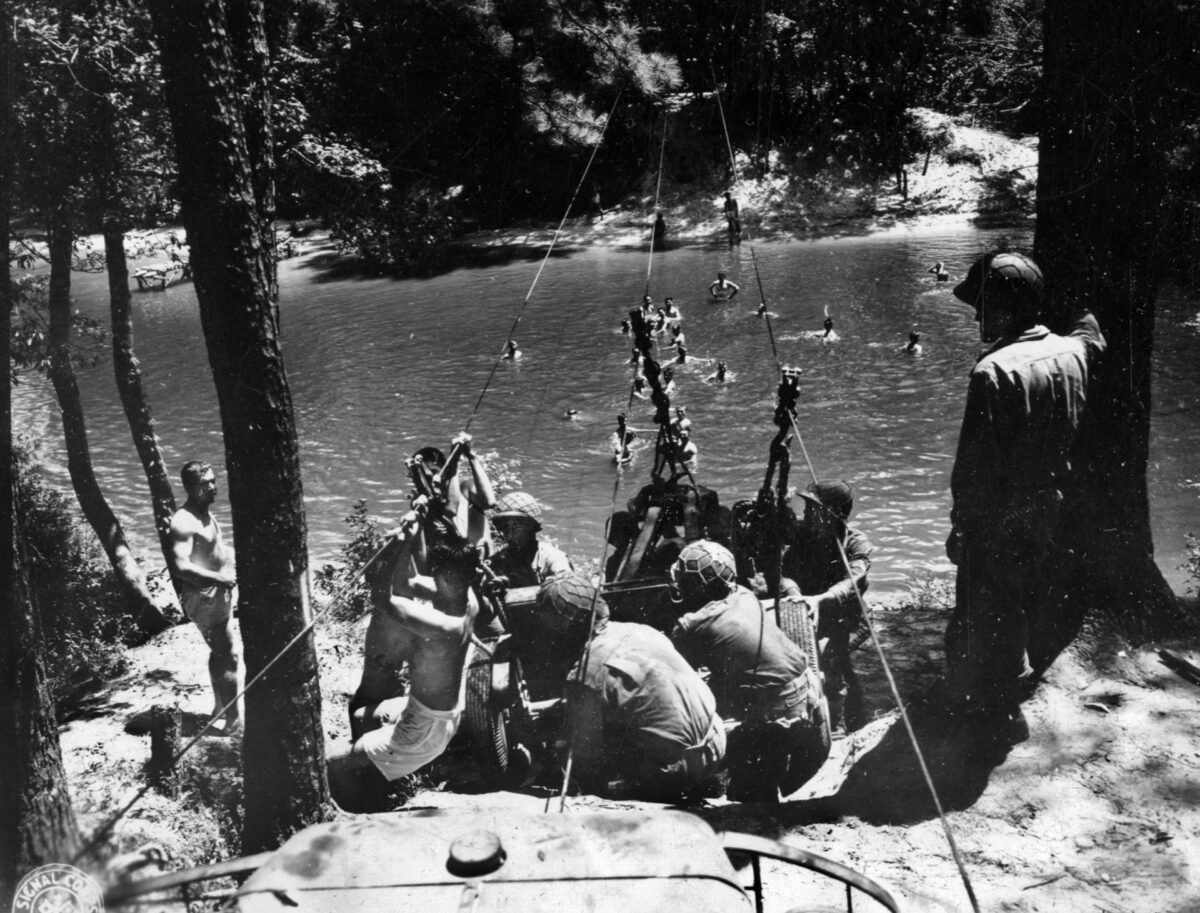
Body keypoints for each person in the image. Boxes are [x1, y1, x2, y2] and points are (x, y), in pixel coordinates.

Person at [943, 251, 1106, 747]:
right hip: (1051, 501)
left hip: (1001, 511)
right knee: (1018, 594)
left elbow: (973, 468)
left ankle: (993, 710)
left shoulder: (992, 372)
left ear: (1009, 308)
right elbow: (1091, 331)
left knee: (987, 605)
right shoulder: (1074, 353)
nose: (976, 316)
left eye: (984, 305)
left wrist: (962, 526)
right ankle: (1004, 691)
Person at [328, 527, 480, 811]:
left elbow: (383, 599)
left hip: (422, 731)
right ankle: (378, 779)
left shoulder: (444, 626)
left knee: (330, 764)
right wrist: (416, 529)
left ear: (442, 576)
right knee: (362, 715)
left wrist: (393, 548)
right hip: (440, 716)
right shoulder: (469, 600)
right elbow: (409, 579)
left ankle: (362, 811)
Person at [536, 573, 725, 801]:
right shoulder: (641, 629)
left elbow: (586, 755)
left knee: (592, 754)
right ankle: (701, 778)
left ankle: (675, 782)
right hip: (717, 740)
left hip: (675, 770)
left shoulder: (587, 671)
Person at [668, 541, 827, 801]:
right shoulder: (742, 593)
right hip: (808, 692)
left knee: (743, 789)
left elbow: (679, 684)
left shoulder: (692, 625)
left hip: (778, 714)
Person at [352, 434, 494, 723]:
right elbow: (416, 572)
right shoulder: (430, 508)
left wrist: (470, 454)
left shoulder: (465, 494)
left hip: (476, 590)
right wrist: (415, 524)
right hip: (450, 592)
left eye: (435, 476)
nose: (432, 483)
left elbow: (488, 500)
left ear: (447, 474)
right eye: (423, 477)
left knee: (487, 649)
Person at [781, 480, 873, 737]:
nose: (807, 513)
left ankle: (837, 725)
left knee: (828, 658)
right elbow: (783, 570)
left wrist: (821, 599)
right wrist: (794, 592)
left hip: (851, 620)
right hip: (809, 612)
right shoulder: (803, 535)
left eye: (814, 509)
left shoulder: (855, 542)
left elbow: (855, 579)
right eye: (807, 508)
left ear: (835, 514)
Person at [169, 461, 241, 735]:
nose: (212, 487)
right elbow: (180, 566)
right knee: (228, 655)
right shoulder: (184, 521)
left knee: (220, 651)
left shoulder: (203, 513)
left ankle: (220, 709)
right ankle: (233, 721)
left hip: (215, 593)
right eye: (205, 483)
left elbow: (211, 549)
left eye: (213, 481)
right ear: (190, 488)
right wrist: (219, 578)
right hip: (205, 596)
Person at [486, 491, 573, 589]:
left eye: (516, 525)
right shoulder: (498, 560)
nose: (510, 533)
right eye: (506, 526)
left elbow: (567, 591)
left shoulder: (553, 558)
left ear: (530, 526)